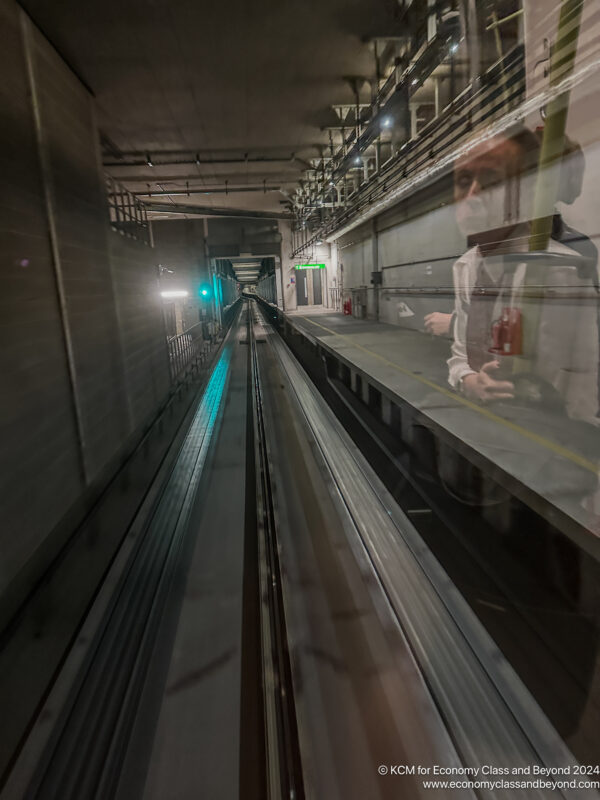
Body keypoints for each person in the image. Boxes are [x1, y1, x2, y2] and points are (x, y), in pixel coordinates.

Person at [445, 125, 598, 419]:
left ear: (526, 190)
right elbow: (460, 354)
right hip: (478, 422)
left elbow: (579, 388)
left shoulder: (561, 270)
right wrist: (469, 381)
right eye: (464, 181)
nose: (472, 195)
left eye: (491, 181)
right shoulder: (464, 267)